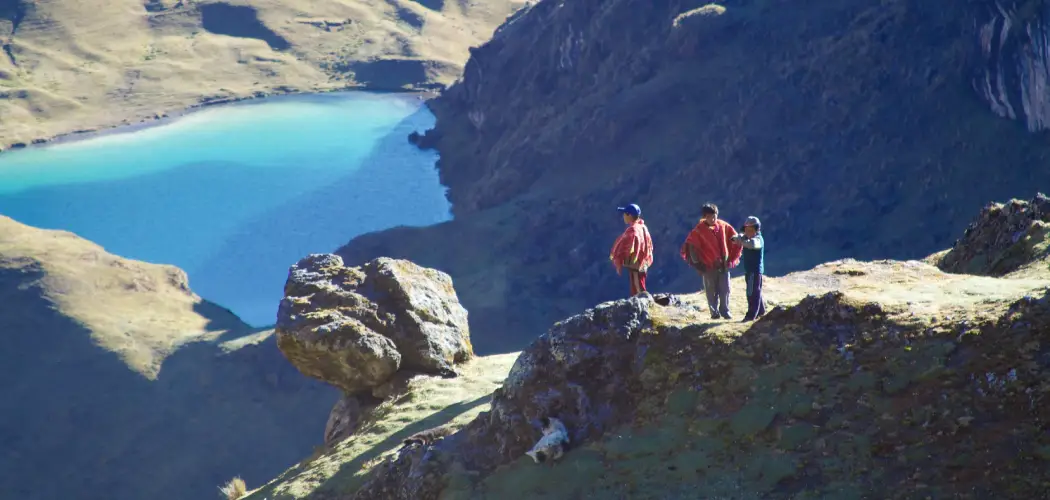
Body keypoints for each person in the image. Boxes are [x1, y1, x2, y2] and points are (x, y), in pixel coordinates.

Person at [680, 203, 742, 319]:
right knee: (711, 290)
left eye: (714, 216)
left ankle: (725, 310)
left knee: (725, 288)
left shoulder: (723, 226)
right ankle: (714, 312)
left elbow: (734, 237)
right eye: (709, 217)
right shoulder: (698, 231)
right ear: (704, 217)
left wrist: (735, 248)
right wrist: (697, 263)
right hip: (707, 266)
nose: (713, 219)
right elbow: (691, 246)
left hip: (723, 265)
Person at [609, 203, 654, 297]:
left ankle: (643, 302)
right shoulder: (643, 227)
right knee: (639, 282)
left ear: (629, 215)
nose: (623, 216)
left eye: (625, 214)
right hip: (644, 261)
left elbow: (625, 246)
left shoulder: (633, 229)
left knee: (638, 287)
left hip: (636, 263)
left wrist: (619, 258)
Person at [731, 216, 766, 321]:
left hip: (754, 271)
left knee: (751, 293)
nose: (747, 232)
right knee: (756, 291)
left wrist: (740, 240)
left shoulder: (758, 239)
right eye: (746, 230)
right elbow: (742, 237)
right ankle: (760, 311)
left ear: (757, 229)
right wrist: (739, 237)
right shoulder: (747, 238)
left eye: (750, 230)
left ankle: (751, 315)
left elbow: (752, 244)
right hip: (750, 270)